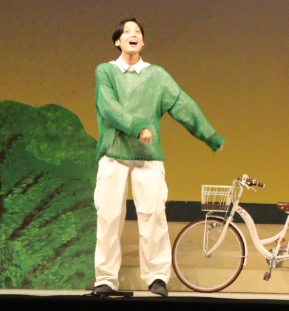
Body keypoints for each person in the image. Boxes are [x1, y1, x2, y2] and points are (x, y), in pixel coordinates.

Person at [92, 18, 225, 297]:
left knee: (153, 217)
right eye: (127, 31)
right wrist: (138, 126)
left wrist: (210, 136)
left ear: (142, 42)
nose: (133, 34)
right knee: (108, 217)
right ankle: (105, 279)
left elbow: (183, 104)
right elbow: (108, 107)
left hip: (148, 155)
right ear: (117, 41)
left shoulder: (157, 76)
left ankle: (156, 278)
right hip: (113, 152)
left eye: (137, 32)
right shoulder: (106, 71)